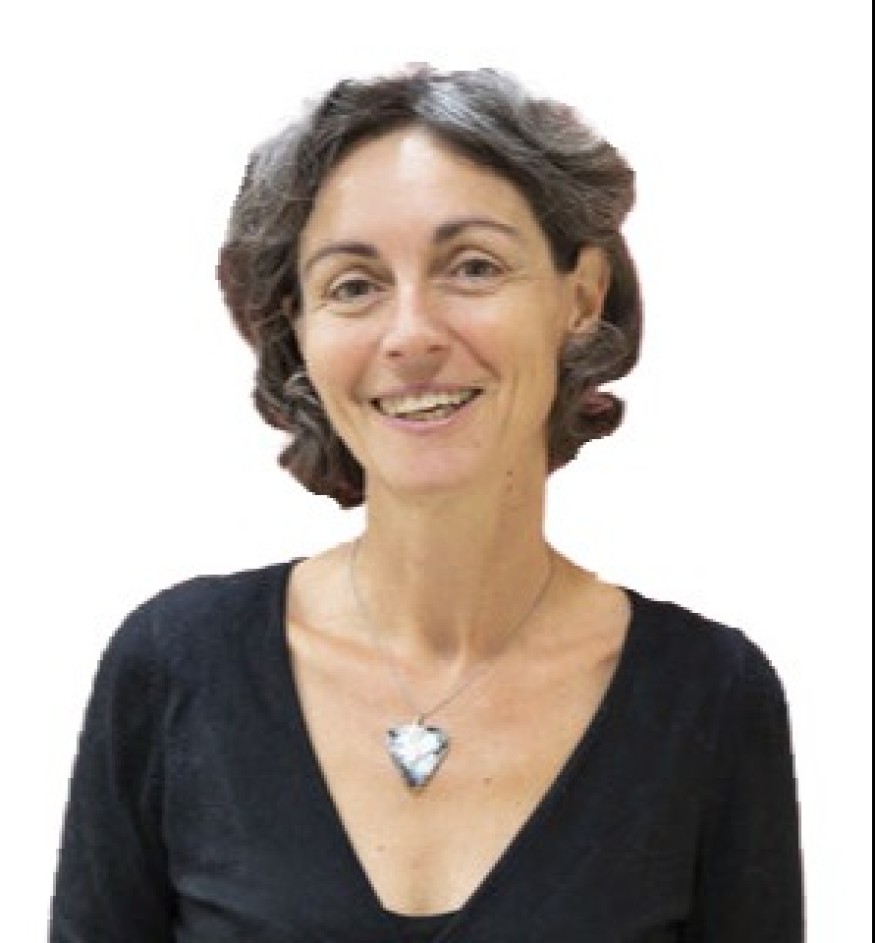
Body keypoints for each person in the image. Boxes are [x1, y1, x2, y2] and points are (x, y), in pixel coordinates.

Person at [49, 66, 804, 942]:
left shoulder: (708, 696)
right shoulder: (174, 667)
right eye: (353, 284)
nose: (410, 333)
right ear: (297, 327)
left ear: (580, 296)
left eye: (472, 267)